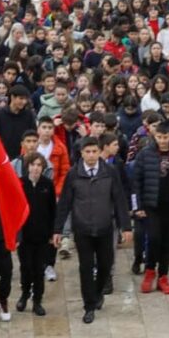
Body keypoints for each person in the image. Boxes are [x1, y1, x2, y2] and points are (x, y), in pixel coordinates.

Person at [55, 135, 124, 325]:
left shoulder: (109, 172)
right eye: (88, 152)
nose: (92, 155)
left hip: (104, 227)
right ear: (81, 153)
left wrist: (125, 226)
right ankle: (89, 306)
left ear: (99, 152)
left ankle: (98, 292)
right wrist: (58, 229)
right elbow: (65, 203)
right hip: (83, 228)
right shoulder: (74, 174)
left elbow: (119, 199)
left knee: (105, 265)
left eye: (94, 151)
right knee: (85, 268)